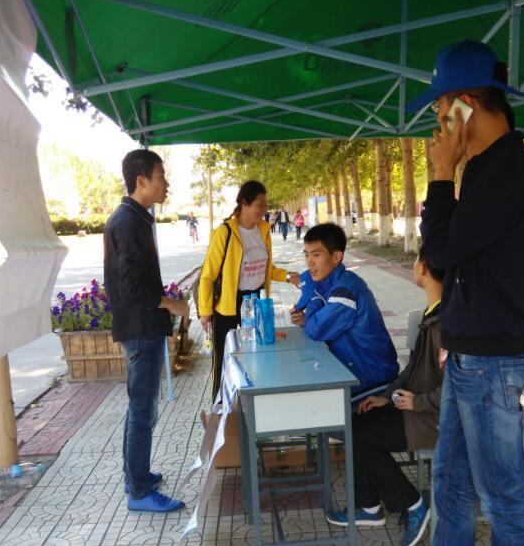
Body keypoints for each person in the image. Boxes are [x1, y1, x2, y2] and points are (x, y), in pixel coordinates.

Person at [389, 40, 524, 546]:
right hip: (468, 351)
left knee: (503, 492)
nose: (437, 123)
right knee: (451, 478)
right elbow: (461, 263)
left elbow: (441, 252)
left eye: (440, 110)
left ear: (464, 106)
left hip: (493, 360)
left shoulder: (509, 171)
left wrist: (438, 176)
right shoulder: (485, 168)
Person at [327, 246, 444, 546]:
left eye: (417, 258)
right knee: (357, 420)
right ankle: (369, 506)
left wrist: (416, 403)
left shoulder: (447, 324)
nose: (413, 263)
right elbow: (412, 370)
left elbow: (458, 390)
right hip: (414, 407)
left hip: (432, 419)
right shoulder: (432, 313)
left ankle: (412, 504)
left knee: (360, 435)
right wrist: (386, 396)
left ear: (424, 268)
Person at [104, 150, 188, 514]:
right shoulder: (128, 222)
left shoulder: (135, 217)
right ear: (141, 180)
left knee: (139, 408)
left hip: (140, 326)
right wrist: (171, 304)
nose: (165, 184)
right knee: (142, 410)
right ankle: (138, 491)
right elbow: (131, 288)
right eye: (160, 176)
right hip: (140, 329)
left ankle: (135, 477)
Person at [198, 180, 300, 402]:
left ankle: (251, 401)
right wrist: (205, 311)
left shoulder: (263, 230)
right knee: (224, 358)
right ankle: (220, 406)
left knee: (257, 353)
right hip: (227, 305)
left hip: (256, 301)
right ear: (244, 203)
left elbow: (264, 267)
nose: (264, 210)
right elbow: (208, 275)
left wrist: (287, 276)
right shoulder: (224, 232)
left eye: (265, 205)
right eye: (259, 205)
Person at [290, 222, 398, 396]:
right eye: (306, 255)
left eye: (316, 255)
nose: (310, 263)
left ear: (336, 257)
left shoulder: (345, 290)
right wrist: (306, 319)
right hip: (353, 368)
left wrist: (312, 296)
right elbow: (320, 324)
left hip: (372, 377)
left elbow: (316, 330)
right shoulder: (328, 283)